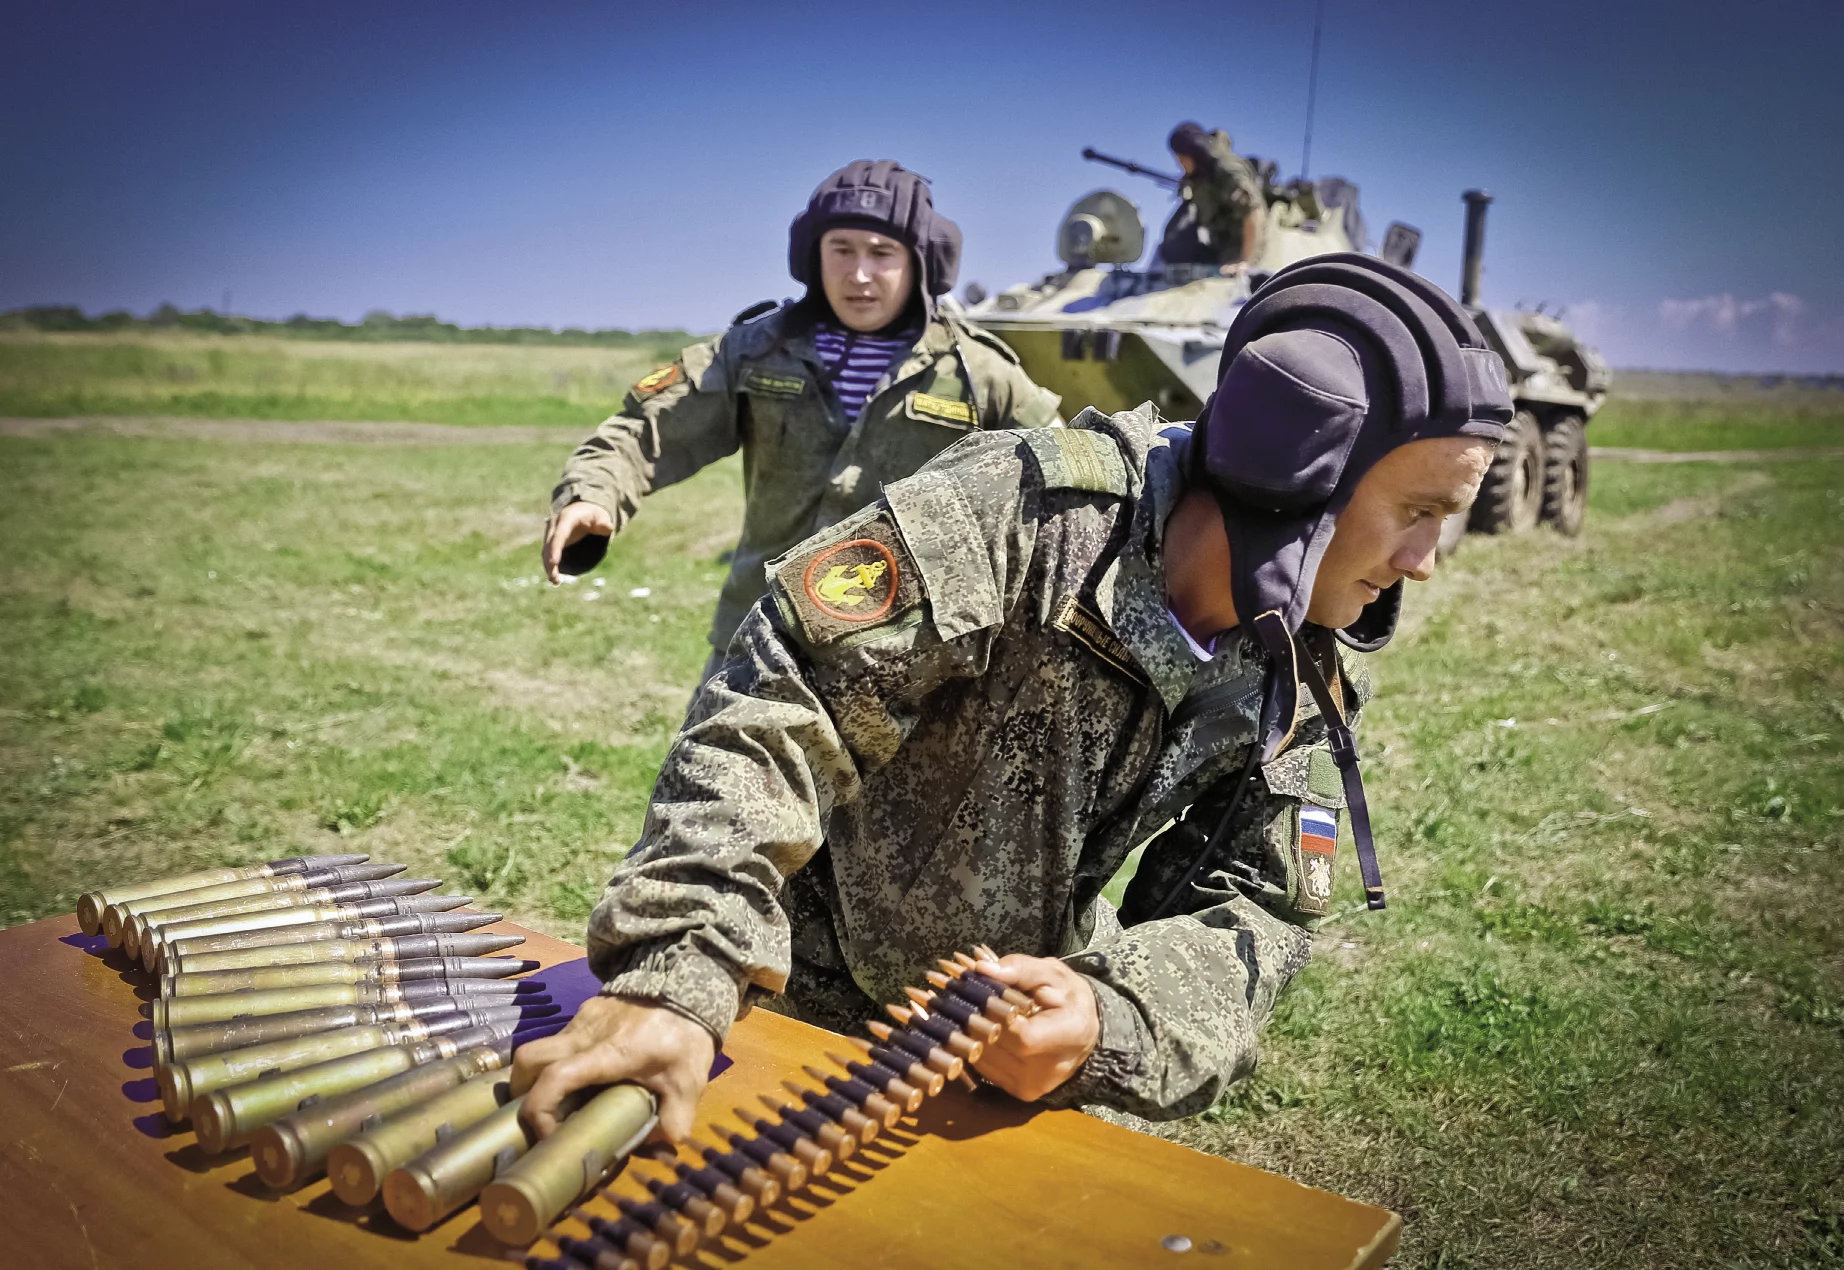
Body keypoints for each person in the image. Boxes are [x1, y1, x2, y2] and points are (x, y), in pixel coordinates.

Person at [512, 254, 1513, 1141]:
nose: (1423, 563)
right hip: (773, 1014)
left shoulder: (1304, 655)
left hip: (977, 1070)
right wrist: (675, 978)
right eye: (1415, 512)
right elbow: (779, 707)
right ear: (1300, 475)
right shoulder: (1019, 520)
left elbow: (1255, 903)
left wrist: (1101, 1019)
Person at [541, 160, 1062, 675]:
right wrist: (592, 493)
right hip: (758, 646)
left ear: (922, 262)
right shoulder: (757, 351)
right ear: (811, 255)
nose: (858, 274)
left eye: (882, 253)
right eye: (841, 250)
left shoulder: (979, 374)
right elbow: (644, 429)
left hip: (907, 666)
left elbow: (1068, 474)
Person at [1160, 121, 1267, 269]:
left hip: (1241, 243)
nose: (1180, 165)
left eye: (1182, 159)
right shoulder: (1199, 176)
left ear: (1194, 152)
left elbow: (1253, 212)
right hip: (1219, 242)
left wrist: (1246, 261)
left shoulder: (1227, 170)